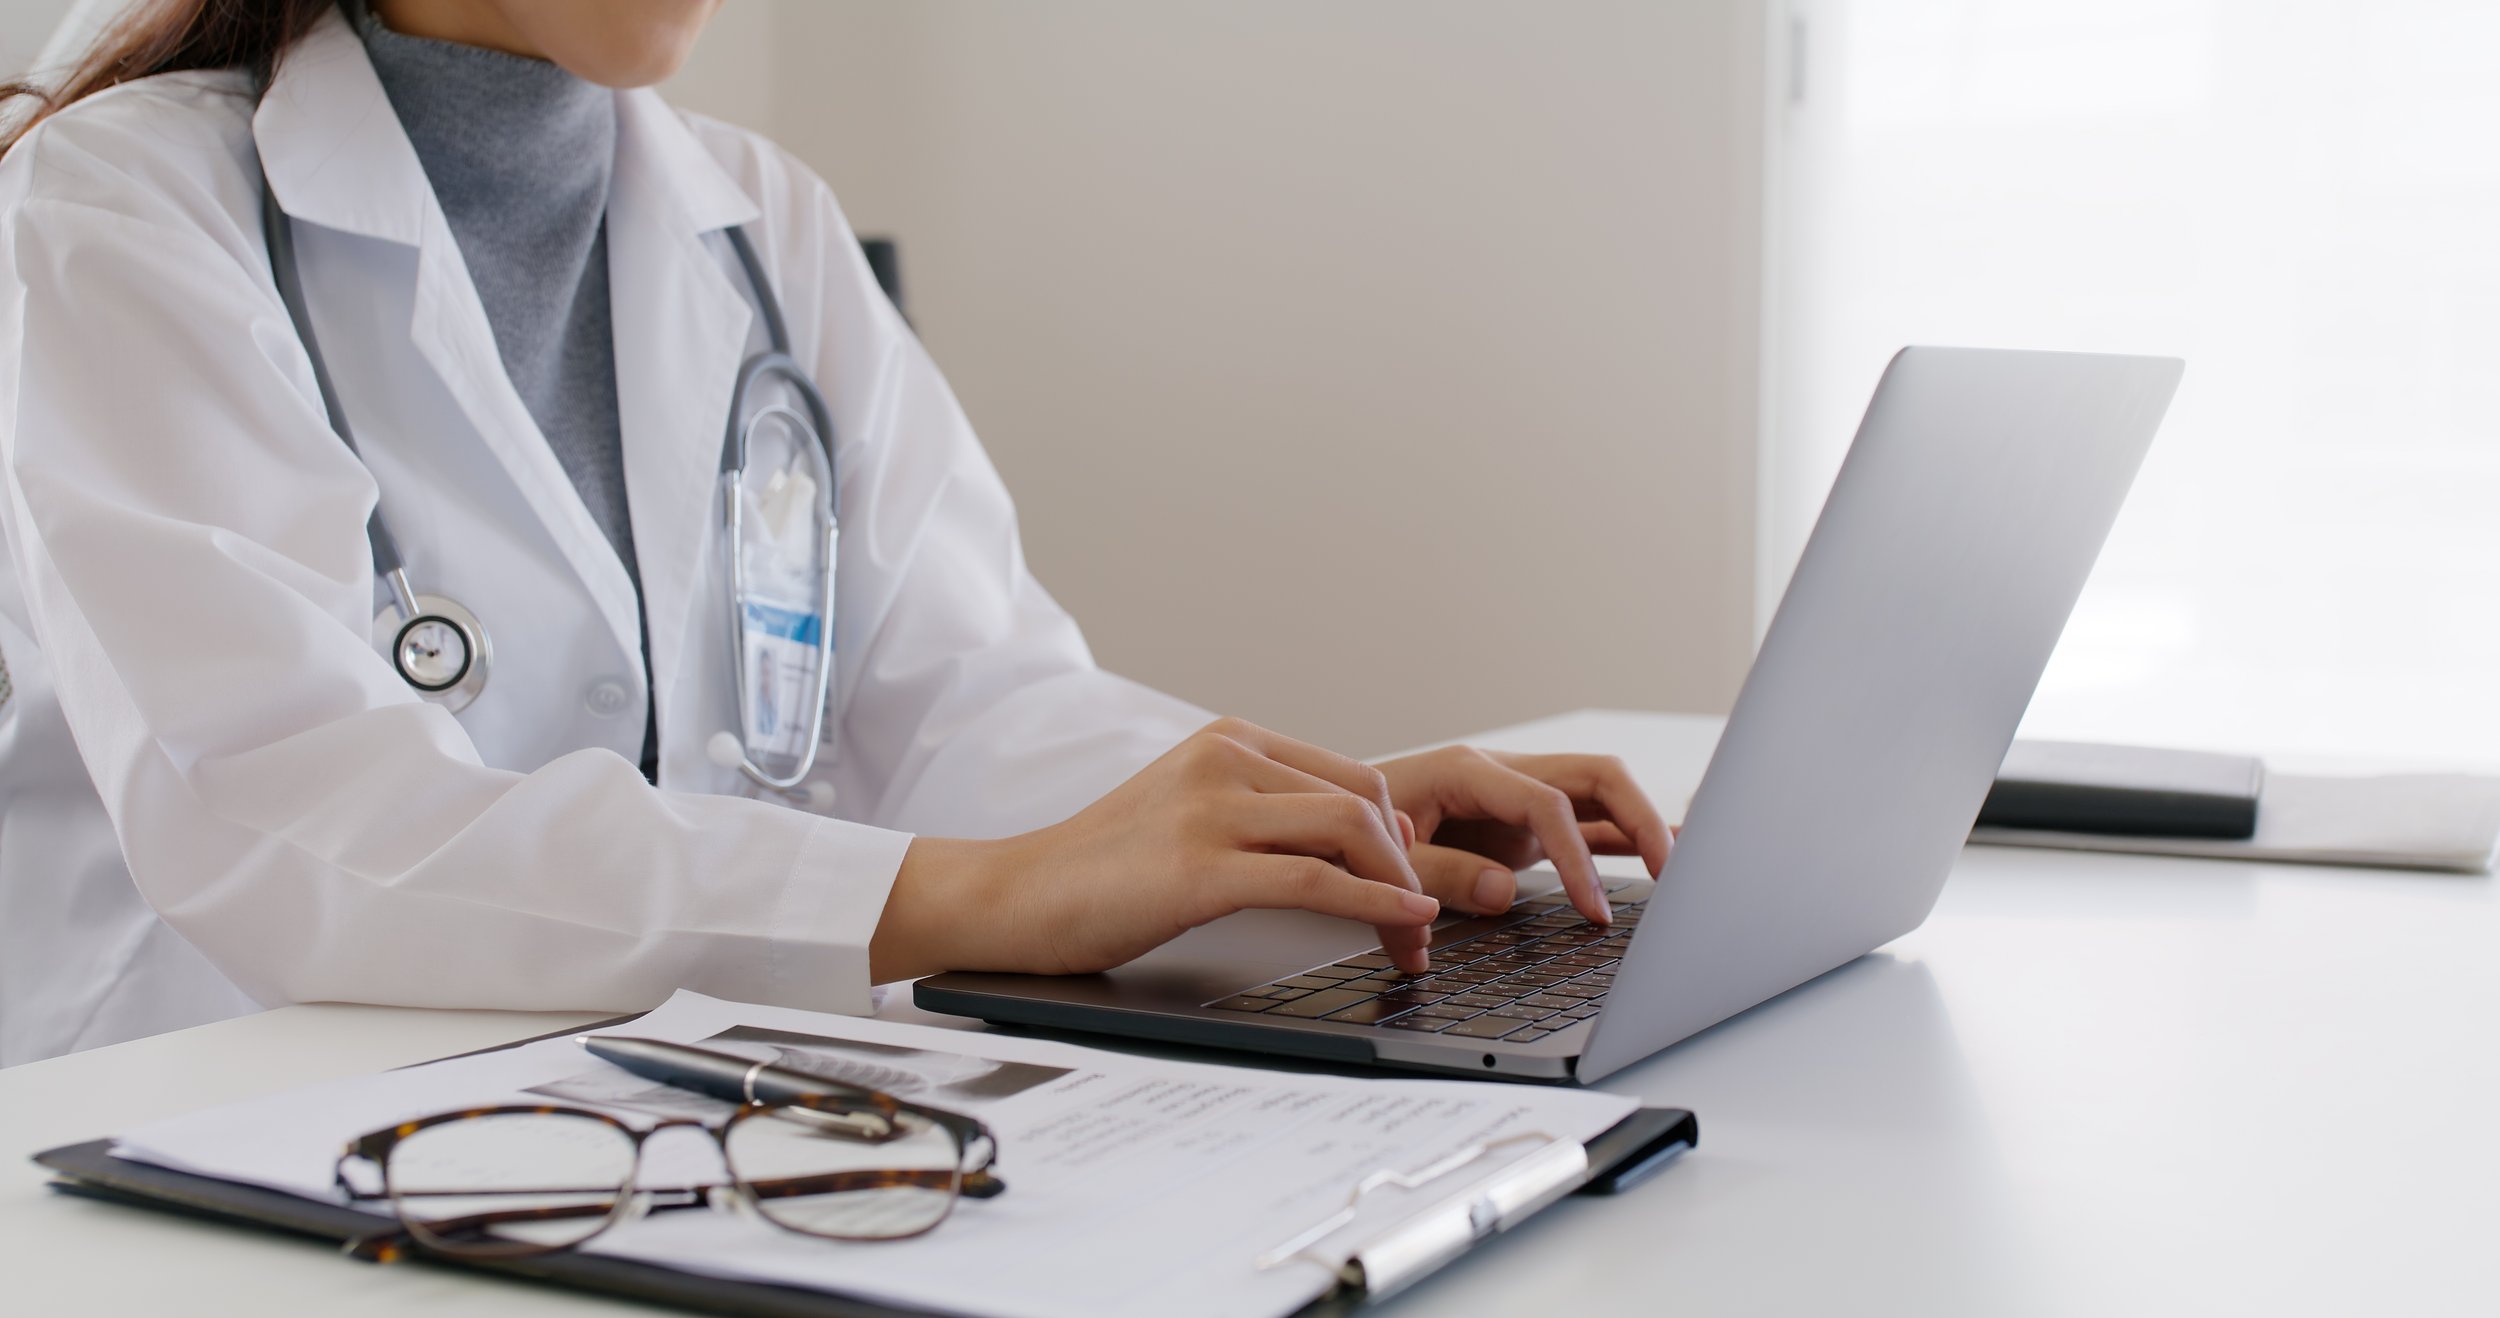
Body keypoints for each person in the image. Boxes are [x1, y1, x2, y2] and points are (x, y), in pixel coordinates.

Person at [0, 0, 1669, 1067]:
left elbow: (972, 700)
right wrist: (958, 895)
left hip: (637, 1113)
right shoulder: (113, 213)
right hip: (211, 1128)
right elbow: (282, 812)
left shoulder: (759, 225)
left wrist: (1329, 827)